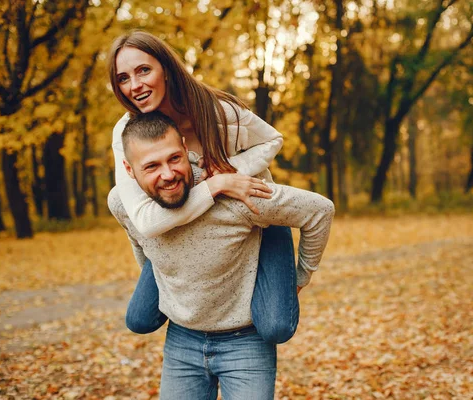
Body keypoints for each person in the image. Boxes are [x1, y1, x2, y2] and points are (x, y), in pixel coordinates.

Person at [108, 112, 334, 398]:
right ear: (129, 170)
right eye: (151, 166)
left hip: (245, 344)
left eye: (174, 158)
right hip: (182, 340)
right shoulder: (122, 204)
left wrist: (301, 276)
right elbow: (140, 243)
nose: (168, 174)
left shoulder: (236, 196)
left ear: (184, 146)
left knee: (278, 324)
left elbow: (320, 211)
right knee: (138, 319)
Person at [108, 30, 298, 343]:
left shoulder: (216, 110)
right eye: (124, 78)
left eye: (144, 70)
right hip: (179, 226)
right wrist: (217, 183)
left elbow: (273, 138)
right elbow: (142, 220)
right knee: (140, 318)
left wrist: (232, 172)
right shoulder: (127, 132)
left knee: (277, 326)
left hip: (254, 215)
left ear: (166, 69)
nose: (135, 85)